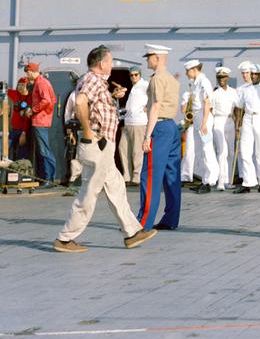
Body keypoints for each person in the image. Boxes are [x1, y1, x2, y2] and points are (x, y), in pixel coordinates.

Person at [51, 47, 156, 253]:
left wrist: (111, 95)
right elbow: (81, 102)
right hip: (97, 143)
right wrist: (88, 132)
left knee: (116, 187)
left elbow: (93, 104)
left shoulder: (95, 82)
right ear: (101, 64)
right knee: (89, 192)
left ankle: (132, 232)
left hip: (103, 145)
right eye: (109, 61)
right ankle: (65, 238)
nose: (111, 65)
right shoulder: (92, 80)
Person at [135, 43, 182, 231]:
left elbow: (155, 106)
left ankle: (142, 222)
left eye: (149, 56)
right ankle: (171, 218)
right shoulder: (171, 79)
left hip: (160, 127)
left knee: (151, 175)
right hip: (171, 126)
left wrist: (147, 135)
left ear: (157, 58)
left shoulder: (156, 79)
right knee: (172, 175)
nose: (147, 59)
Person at [232, 61, 260, 194]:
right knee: (245, 151)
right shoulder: (245, 88)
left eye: (257, 74)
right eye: (253, 74)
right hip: (248, 118)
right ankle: (248, 182)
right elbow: (239, 107)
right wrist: (238, 127)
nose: (254, 76)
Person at [180, 59, 217, 193]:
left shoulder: (203, 82)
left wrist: (204, 123)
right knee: (199, 151)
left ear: (194, 70)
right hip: (196, 117)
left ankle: (209, 181)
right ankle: (203, 179)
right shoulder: (194, 83)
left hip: (203, 117)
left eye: (187, 70)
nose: (186, 73)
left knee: (207, 149)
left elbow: (207, 103)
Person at [24, 62, 57, 185]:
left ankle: (49, 179)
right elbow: (52, 100)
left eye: (27, 72)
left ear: (31, 71)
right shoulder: (41, 82)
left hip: (40, 121)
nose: (27, 75)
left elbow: (47, 101)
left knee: (44, 151)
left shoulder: (41, 83)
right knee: (43, 150)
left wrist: (33, 110)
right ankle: (47, 178)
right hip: (41, 119)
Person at [209, 67, 237, 191]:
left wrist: (238, 125)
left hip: (230, 121)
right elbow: (209, 109)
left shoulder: (233, 92)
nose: (221, 80)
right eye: (219, 78)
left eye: (223, 77)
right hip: (218, 120)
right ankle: (221, 181)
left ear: (228, 78)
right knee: (222, 152)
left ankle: (229, 180)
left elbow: (238, 108)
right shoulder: (214, 94)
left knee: (231, 152)